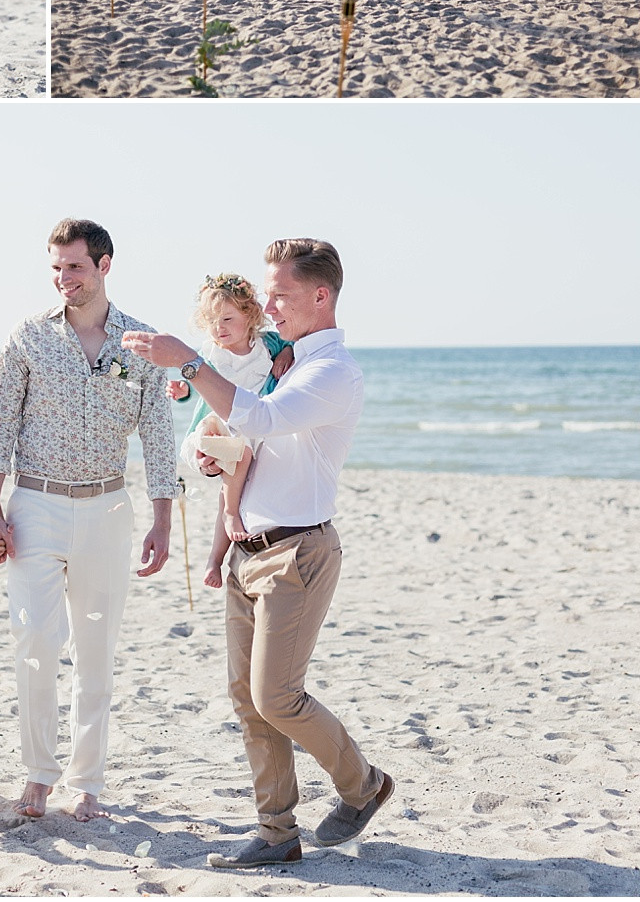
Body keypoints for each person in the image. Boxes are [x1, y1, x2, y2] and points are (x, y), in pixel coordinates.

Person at [122, 238, 392, 868]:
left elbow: (261, 420)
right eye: (266, 294)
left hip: (298, 550)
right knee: (248, 699)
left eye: (281, 294)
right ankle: (277, 833)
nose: (267, 306)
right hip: (249, 546)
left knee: (277, 697)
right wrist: (206, 456)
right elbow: (232, 438)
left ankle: (364, 784)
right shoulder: (285, 362)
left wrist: (189, 363)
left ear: (321, 296)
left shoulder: (332, 372)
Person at [0, 218, 176, 822]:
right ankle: (38, 774)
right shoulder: (28, 338)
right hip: (34, 506)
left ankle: (86, 780)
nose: (65, 279)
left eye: (76, 267)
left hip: (108, 509)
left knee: (96, 651)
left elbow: (160, 438)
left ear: (104, 266)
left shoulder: (142, 343)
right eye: (57, 268)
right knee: (34, 640)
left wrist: (161, 520)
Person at [164, 274, 291, 588]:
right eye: (211, 321)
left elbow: (292, 342)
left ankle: (215, 560)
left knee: (237, 470)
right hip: (215, 428)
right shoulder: (210, 352)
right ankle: (230, 517)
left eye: (227, 319)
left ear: (249, 315)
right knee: (238, 457)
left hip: (249, 427)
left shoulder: (268, 344)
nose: (218, 328)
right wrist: (182, 390)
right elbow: (194, 380)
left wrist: (287, 353)